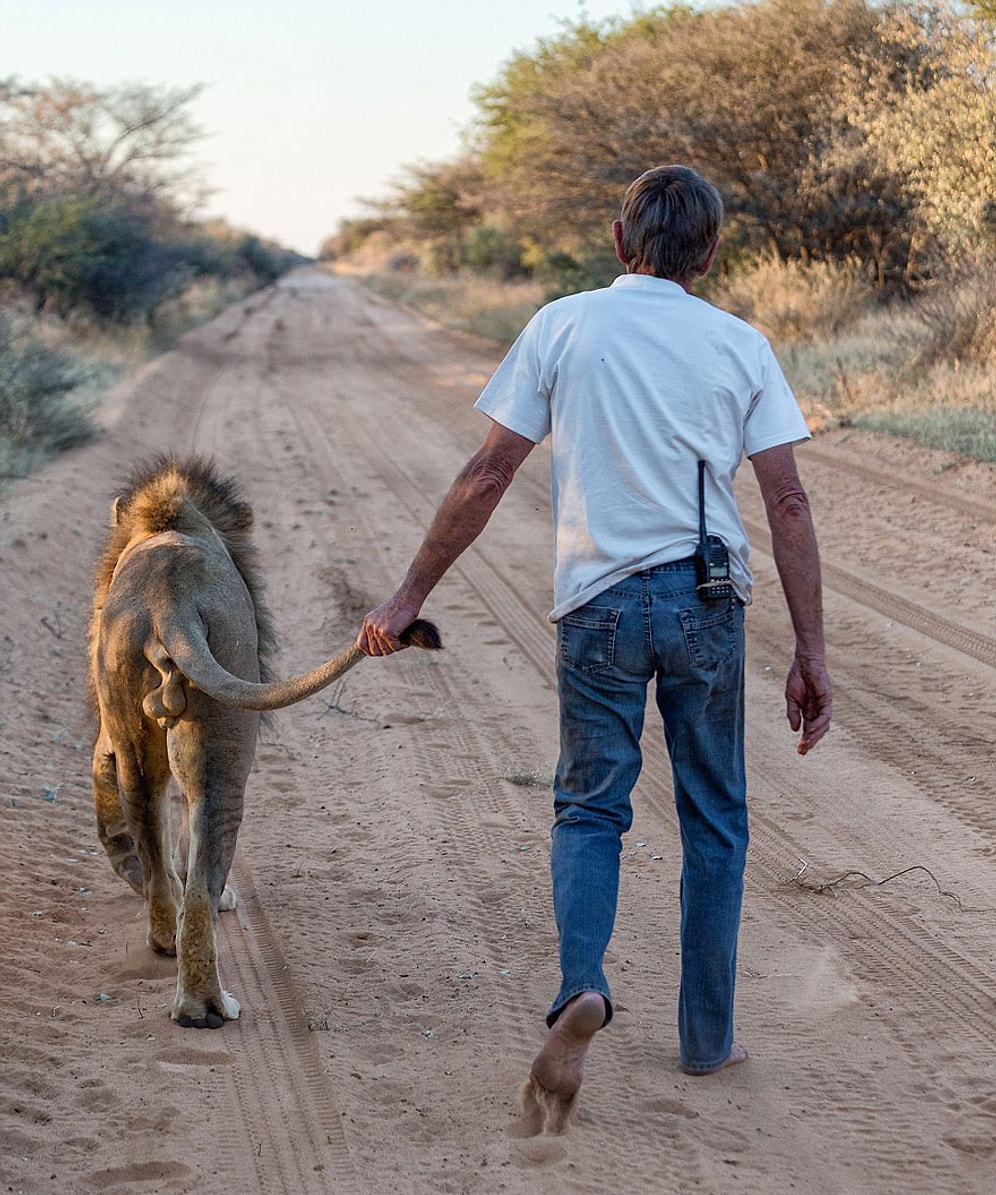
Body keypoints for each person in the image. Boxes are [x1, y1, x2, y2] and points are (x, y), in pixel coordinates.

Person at [358, 164, 831, 1134]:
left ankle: (583, 985)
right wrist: (811, 653)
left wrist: (409, 594)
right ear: (710, 253)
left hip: (599, 606)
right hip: (707, 603)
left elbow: (489, 471)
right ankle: (709, 1039)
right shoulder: (742, 344)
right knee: (716, 821)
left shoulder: (563, 324)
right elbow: (787, 500)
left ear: (621, 242)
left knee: (588, 811)